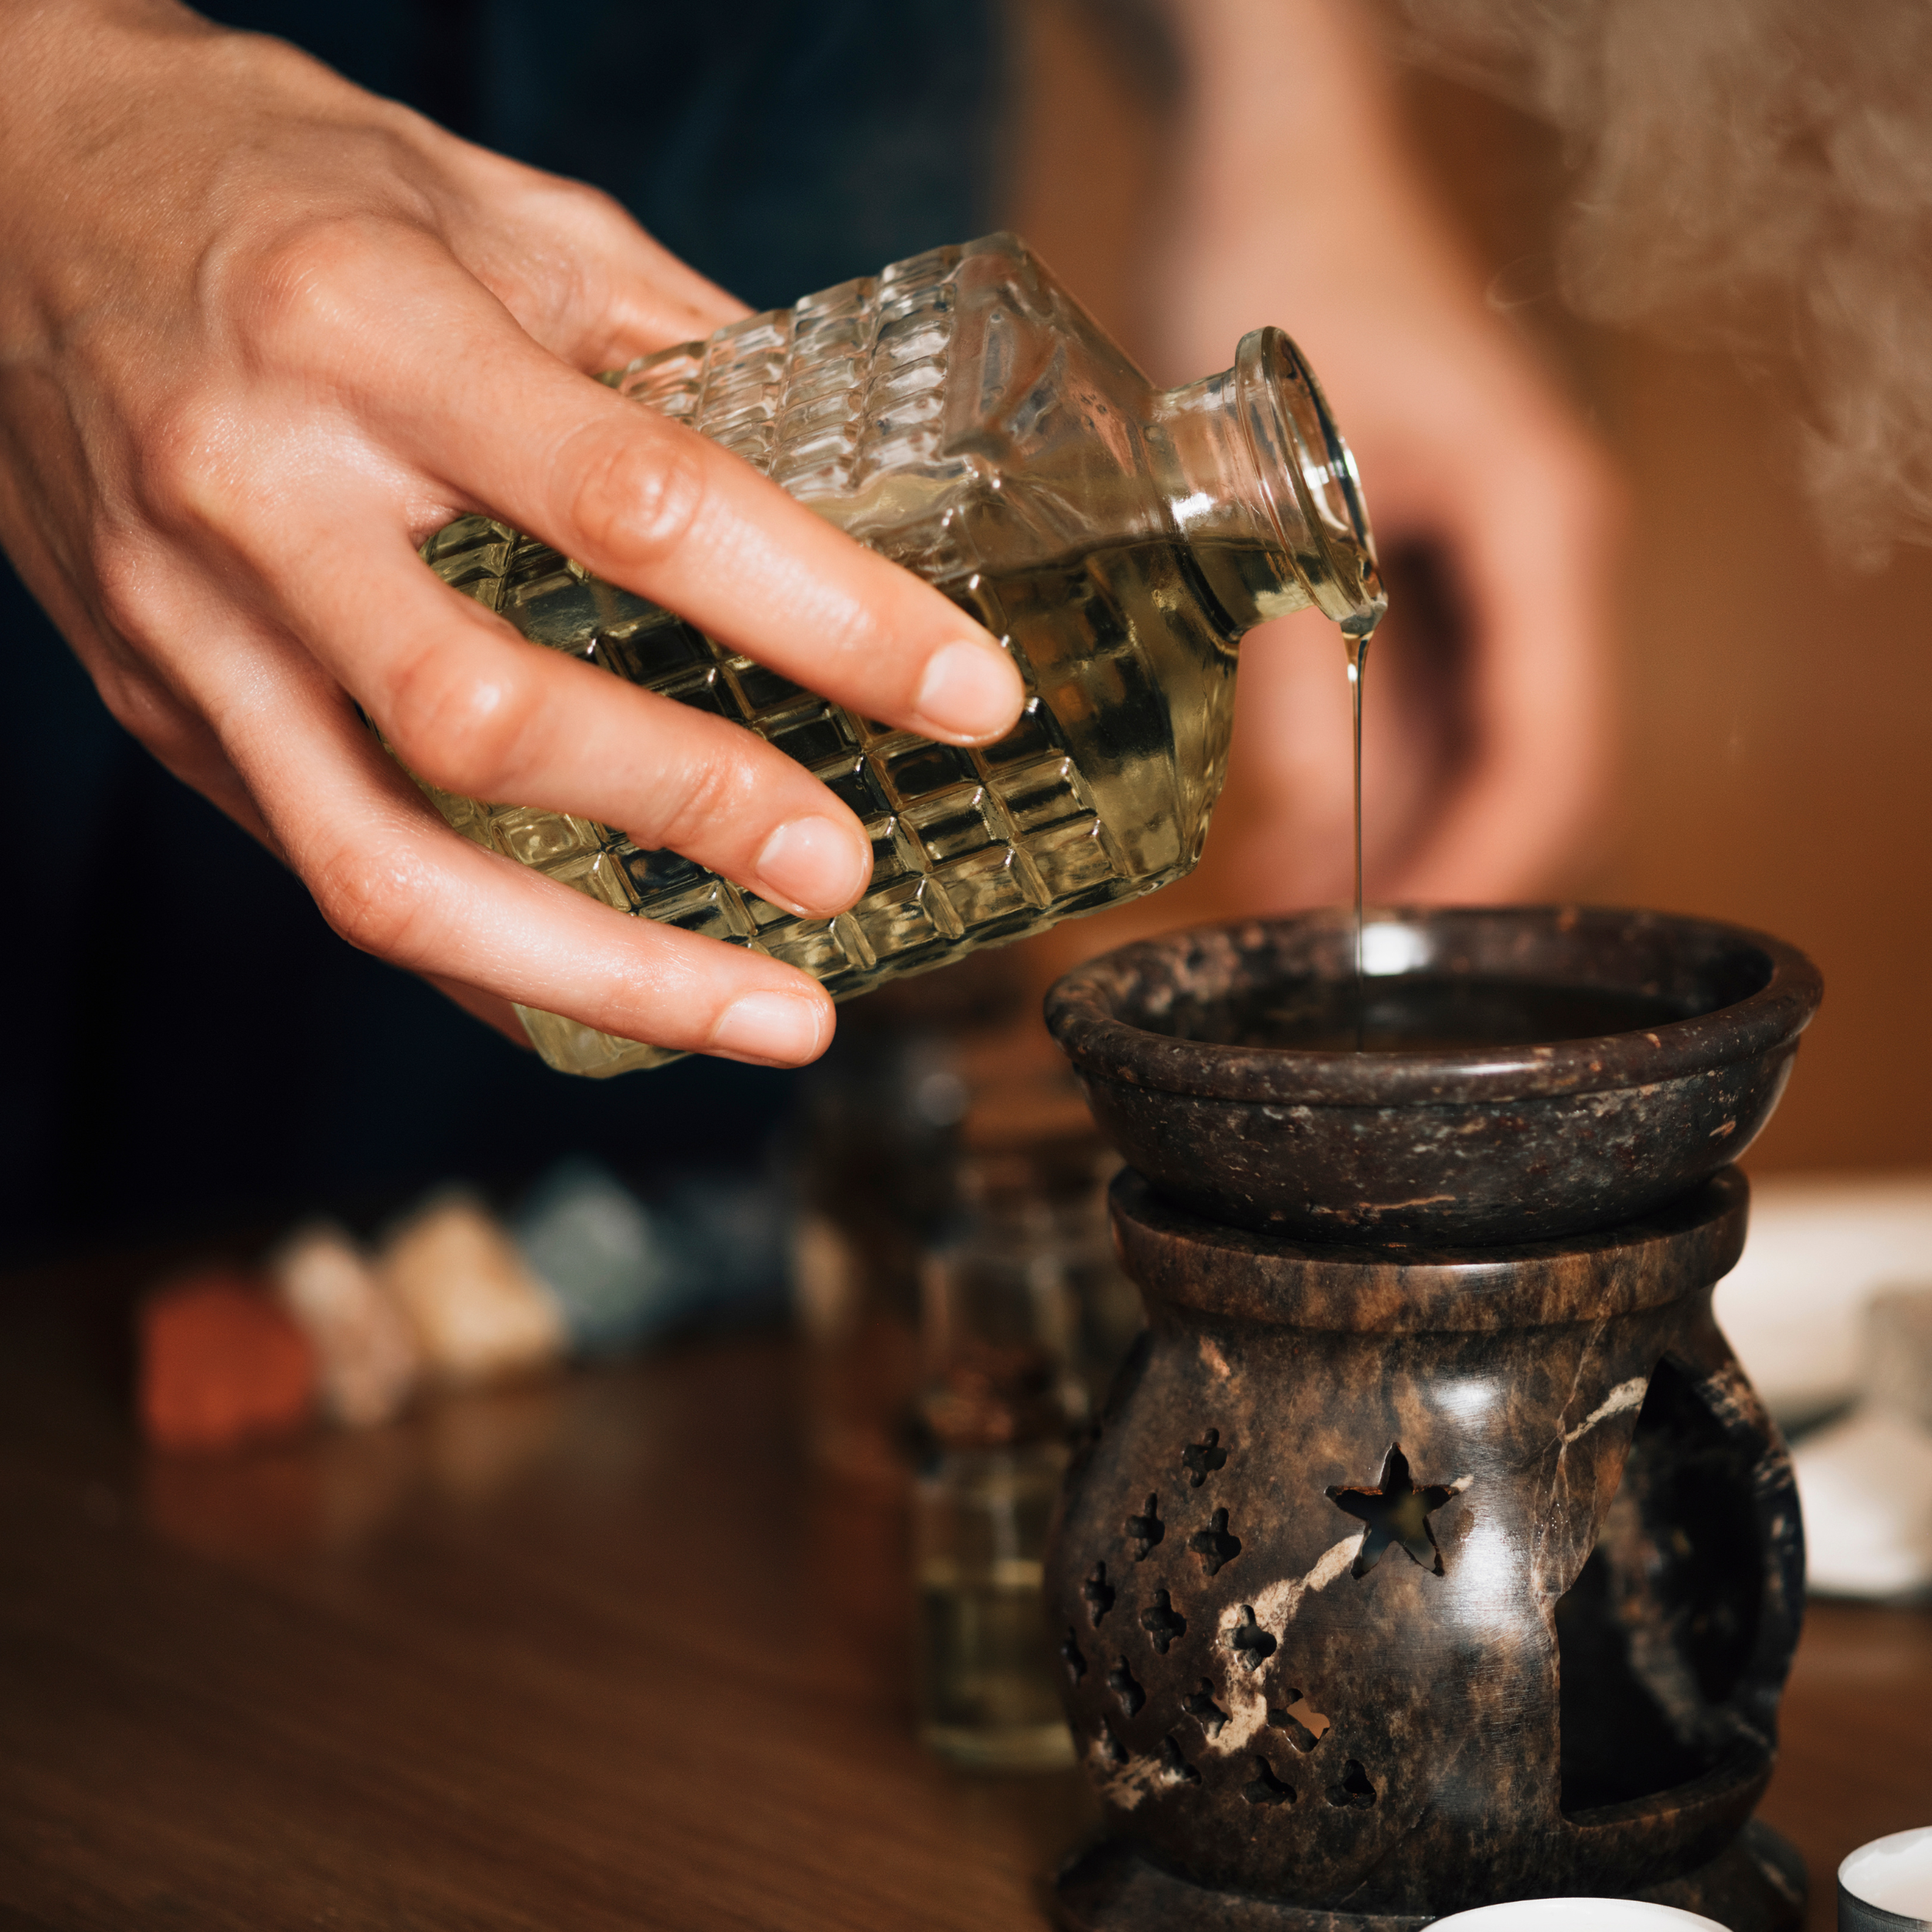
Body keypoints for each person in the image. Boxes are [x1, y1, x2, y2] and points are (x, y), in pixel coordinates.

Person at [0, 0, 1616, 1242]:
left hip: (769, 93)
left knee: (603, 1303)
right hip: (91, 266)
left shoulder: (1141, 731)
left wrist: (1292, 123)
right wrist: (48, 122)